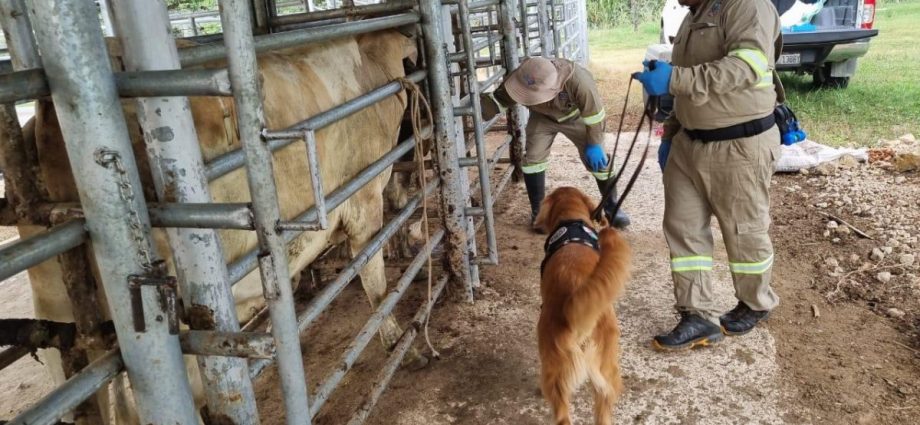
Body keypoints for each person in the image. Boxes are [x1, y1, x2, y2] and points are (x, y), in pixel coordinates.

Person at [633, 0, 784, 351]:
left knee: (742, 229)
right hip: (689, 142)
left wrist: (674, 77)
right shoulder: (692, 16)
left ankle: (755, 302)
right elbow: (689, 90)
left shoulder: (748, 6)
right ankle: (695, 313)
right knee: (683, 229)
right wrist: (670, 134)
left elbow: (744, 67)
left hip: (740, 142)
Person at [480, 56, 631, 231]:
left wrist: (595, 143)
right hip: (542, 117)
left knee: (599, 161)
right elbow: (499, 101)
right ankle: (539, 213)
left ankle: (612, 207)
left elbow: (595, 115)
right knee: (533, 158)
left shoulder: (579, 81)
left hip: (576, 117)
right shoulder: (524, 76)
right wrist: (475, 108)